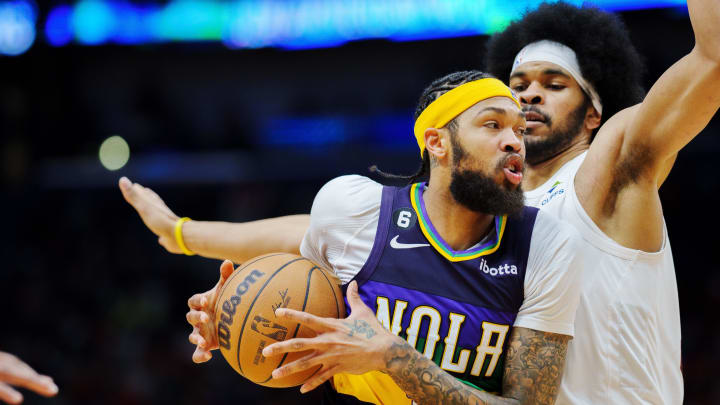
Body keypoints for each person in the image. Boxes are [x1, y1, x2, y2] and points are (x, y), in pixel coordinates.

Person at [121, 1, 720, 403]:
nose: (530, 95)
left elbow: (711, 59)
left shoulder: (608, 168)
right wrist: (184, 235)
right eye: (515, 90)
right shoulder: (492, 212)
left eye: (553, 84)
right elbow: (314, 231)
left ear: (594, 112)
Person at [191, 72, 582, 404]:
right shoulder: (353, 211)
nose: (515, 141)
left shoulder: (545, 243)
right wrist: (229, 314)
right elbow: (290, 308)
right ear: (437, 142)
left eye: (519, 129)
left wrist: (396, 357)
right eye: (493, 125)